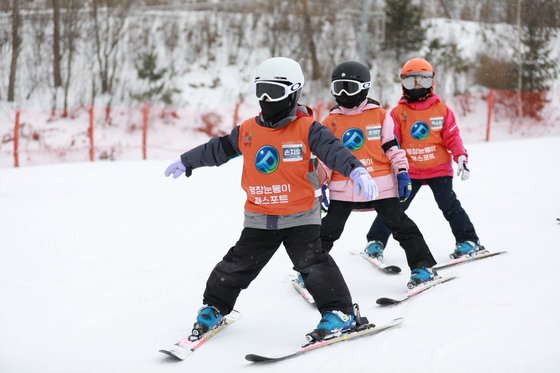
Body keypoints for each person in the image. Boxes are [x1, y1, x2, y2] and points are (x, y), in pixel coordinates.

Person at [164, 57, 377, 342]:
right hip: (260, 216)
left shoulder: (308, 128)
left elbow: (333, 150)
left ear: (293, 92)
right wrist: (188, 161)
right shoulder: (249, 130)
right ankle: (214, 307)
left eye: (274, 92)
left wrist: (356, 169)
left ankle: (340, 312)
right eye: (261, 90)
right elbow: (219, 149)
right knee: (236, 265)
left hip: (300, 215)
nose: (266, 99)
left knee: (313, 265)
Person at [309, 61, 438, 287]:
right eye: (338, 87)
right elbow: (326, 160)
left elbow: (392, 148)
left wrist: (402, 173)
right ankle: (308, 272)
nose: (343, 94)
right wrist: (321, 185)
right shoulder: (331, 121)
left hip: (380, 186)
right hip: (343, 188)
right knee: (326, 233)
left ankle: (422, 266)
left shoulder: (379, 116)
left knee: (402, 226)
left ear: (364, 87)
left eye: (349, 87)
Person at [367, 57, 483, 260]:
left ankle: (468, 240)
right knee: (394, 208)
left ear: (432, 81)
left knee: (449, 205)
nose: (418, 86)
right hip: (410, 171)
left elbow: (452, 136)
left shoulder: (442, 110)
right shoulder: (398, 113)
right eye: (411, 81)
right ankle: (376, 241)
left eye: (423, 80)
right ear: (403, 83)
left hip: (438, 168)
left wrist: (461, 156)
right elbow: (391, 143)